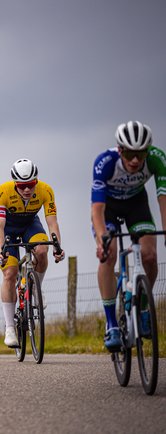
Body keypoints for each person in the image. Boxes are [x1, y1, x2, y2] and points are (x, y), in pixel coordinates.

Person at [91, 120, 166, 352]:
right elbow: (97, 210)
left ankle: (143, 308)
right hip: (109, 207)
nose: (136, 160)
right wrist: (101, 240)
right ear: (120, 150)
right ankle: (112, 324)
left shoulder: (156, 159)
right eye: (131, 153)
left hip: (136, 204)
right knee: (109, 254)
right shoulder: (105, 162)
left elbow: (163, 199)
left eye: (141, 153)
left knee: (150, 256)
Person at [0, 159, 65, 347]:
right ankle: (10, 328)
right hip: (8, 229)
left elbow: (52, 222)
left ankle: (35, 288)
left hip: (30, 225)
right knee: (9, 274)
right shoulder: (2, 192)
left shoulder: (45, 190)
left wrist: (57, 246)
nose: (27, 190)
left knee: (42, 251)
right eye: (22, 186)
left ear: (36, 181)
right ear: (15, 184)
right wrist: (1, 250)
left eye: (31, 185)